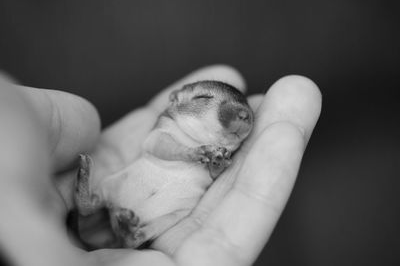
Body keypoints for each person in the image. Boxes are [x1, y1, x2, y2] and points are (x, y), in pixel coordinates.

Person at [0, 65, 321, 266]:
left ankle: (127, 234)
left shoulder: (217, 155)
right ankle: (89, 207)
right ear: (178, 101)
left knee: (156, 225)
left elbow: (211, 175)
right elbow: (156, 148)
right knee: (108, 193)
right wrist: (192, 154)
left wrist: (214, 162)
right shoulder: (167, 130)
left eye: (241, 114)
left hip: (157, 218)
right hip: (119, 196)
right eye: (205, 100)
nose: (237, 114)